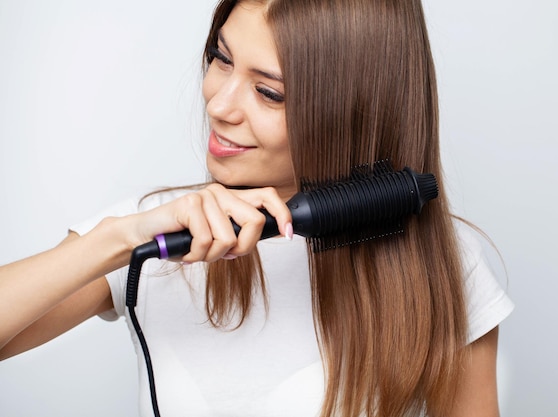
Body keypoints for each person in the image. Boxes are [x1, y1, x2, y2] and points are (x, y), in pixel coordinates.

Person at [0, 0, 514, 415]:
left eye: (268, 92)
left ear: (351, 113)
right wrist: (118, 239)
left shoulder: (449, 269)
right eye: (221, 59)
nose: (219, 105)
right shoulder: (153, 234)